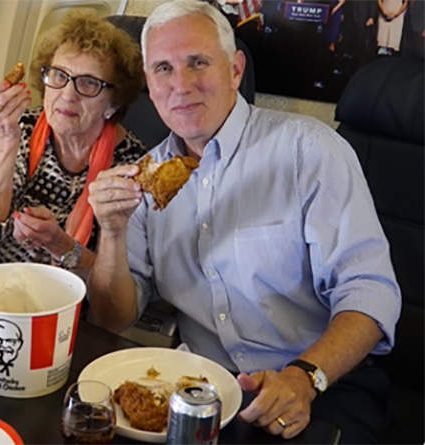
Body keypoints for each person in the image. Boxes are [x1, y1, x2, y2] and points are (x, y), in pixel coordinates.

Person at [86, 0, 401, 443]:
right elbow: (114, 317)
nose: (181, 85)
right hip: (203, 387)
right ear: (148, 84)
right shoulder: (144, 179)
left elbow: (371, 293)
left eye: (198, 62)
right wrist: (113, 233)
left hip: (322, 382)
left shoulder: (308, 151)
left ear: (235, 70)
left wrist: (304, 377)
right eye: (163, 69)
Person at [0, 11, 146, 274]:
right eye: (60, 76)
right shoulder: (21, 127)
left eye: (89, 83)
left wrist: (61, 245)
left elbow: (122, 281)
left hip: (59, 292)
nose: (68, 95)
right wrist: (6, 140)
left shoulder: (132, 166)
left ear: (114, 102)